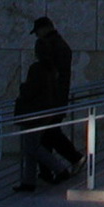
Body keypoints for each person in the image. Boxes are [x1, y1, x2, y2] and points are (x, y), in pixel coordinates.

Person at [31, 16, 85, 170]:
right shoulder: (61, 45)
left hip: (49, 98)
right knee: (47, 134)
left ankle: (74, 158)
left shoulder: (46, 45)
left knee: (49, 132)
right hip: (58, 97)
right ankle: (48, 171)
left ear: (44, 28)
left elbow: (45, 72)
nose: (37, 35)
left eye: (37, 32)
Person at [13, 59, 71, 192]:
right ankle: (29, 181)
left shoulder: (37, 69)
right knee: (30, 147)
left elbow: (29, 91)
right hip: (44, 112)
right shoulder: (52, 69)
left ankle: (60, 169)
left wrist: (22, 87)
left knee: (32, 147)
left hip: (34, 114)